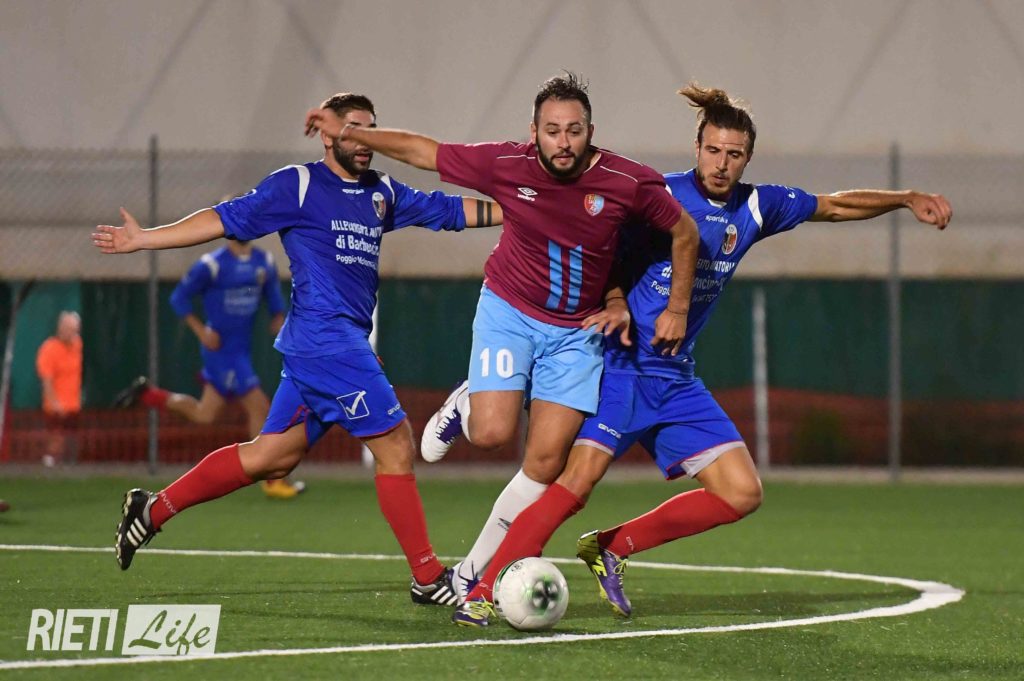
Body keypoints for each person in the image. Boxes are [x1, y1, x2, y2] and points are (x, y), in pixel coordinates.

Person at [449, 82, 953, 626]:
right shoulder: (659, 197)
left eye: (734, 154)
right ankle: (480, 587)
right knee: (574, 483)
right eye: (713, 150)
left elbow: (832, 205)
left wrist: (903, 199)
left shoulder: (758, 206)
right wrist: (617, 301)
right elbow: (601, 255)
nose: (721, 164)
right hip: (624, 366)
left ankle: (611, 547)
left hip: (676, 378)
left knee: (741, 492)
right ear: (697, 148)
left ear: (747, 158)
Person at [304, 72, 702, 626]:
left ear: (592, 132)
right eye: (552, 130)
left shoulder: (626, 180)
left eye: (574, 131)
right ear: (532, 131)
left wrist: (672, 307)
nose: (563, 141)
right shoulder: (506, 165)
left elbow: (684, 233)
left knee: (543, 464)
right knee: (491, 434)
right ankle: (469, 400)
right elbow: (425, 151)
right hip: (509, 313)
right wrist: (359, 134)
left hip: (575, 333)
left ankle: (471, 575)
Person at [93, 92, 503, 607]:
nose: (365, 138)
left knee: (272, 457)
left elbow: (449, 210)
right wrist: (144, 239)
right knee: (397, 444)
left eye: (371, 128)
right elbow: (221, 218)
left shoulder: (382, 193)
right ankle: (427, 577)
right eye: (353, 127)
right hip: (324, 340)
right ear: (329, 133)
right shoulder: (298, 185)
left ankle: (150, 511)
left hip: (328, 346)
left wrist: (524, 211)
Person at [114, 235, 304, 499]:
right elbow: (179, 298)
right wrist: (201, 331)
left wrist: (278, 317)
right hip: (221, 350)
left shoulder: (264, 262)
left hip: (241, 350)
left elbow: (273, 297)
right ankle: (272, 480)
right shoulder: (212, 264)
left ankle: (149, 394)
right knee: (259, 407)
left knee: (206, 414)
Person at [35, 311, 83, 466]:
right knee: (55, 440)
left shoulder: (77, 344)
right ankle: (49, 465)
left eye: (75, 330)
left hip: (73, 405)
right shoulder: (49, 349)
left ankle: (69, 467)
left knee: (70, 441)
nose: (73, 333)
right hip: (55, 407)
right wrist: (54, 402)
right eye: (69, 329)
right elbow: (46, 380)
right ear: (60, 328)